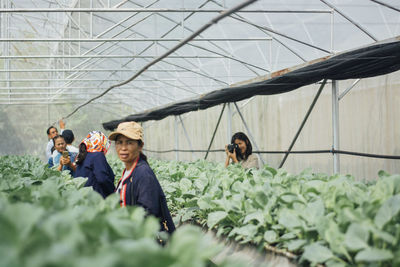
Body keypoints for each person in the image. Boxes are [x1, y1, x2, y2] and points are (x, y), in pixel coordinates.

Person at [109, 121, 175, 234]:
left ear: (140, 146)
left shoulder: (143, 173)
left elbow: (148, 213)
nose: (123, 148)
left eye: (129, 143)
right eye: (119, 142)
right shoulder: (128, 171)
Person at [74, 131, 115, 199]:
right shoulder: (97, 155)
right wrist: (114, 194)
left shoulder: (82, 155)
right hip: (96, 199)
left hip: (84, 198)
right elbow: (103, 179)